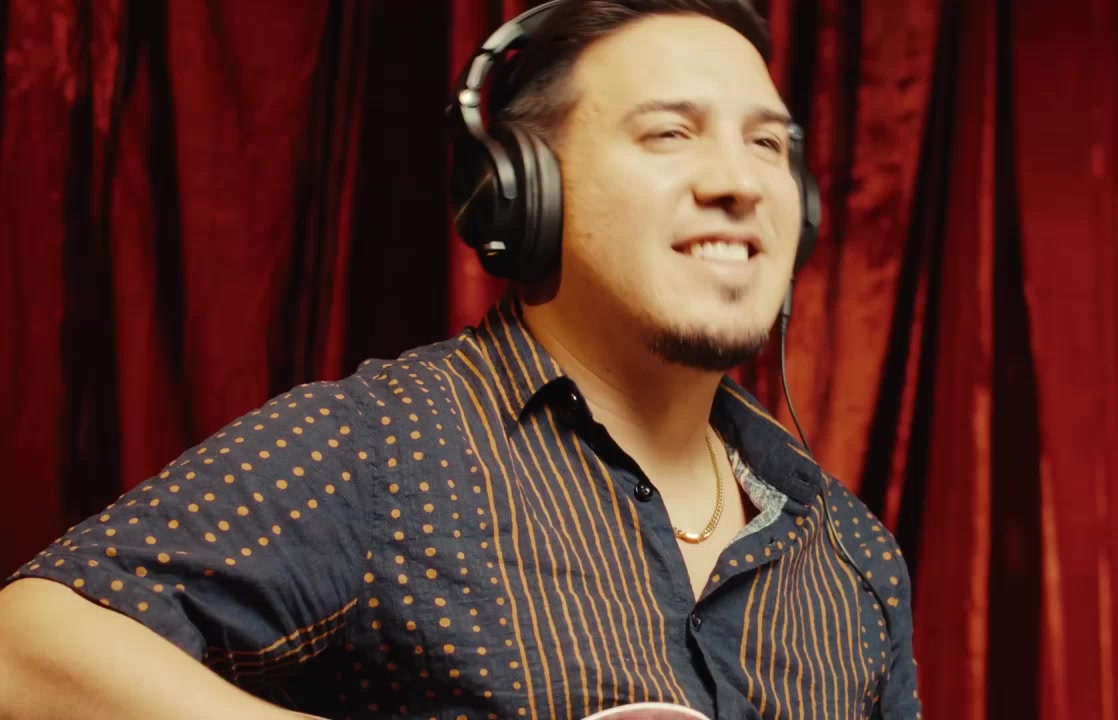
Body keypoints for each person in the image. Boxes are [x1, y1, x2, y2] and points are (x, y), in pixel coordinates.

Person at [0, 1, 922, 718]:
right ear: (525, 190)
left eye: (767, 144)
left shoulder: (854, 556)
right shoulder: (385, 448)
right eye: (670, 134)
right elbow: (22, 650)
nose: (739, 182)